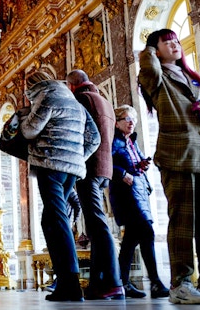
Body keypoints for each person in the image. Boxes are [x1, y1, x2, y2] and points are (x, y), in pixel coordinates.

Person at [138, 29, 200, 305]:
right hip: (178, 155)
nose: (175, 44)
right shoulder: (155, 78)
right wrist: (148, 48)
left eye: (177, 40)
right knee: (183, 223)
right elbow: (148, 66)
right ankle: (180, 284)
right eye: (167, 41)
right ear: (155, 51)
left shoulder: (196, 80)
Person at [19, 69, 100, 302]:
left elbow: (29, 130)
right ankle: (64, 280)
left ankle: (70, 284)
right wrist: (74, 156)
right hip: (71, 169)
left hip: (50, 164)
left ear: (33, 85)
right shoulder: (73, 101)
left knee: (57, 219)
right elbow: (94, 138)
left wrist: (23, 118)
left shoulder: (46, 96)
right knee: (50, 220)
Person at [67, 69, 124, 300]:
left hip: (89, 166)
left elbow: (80, 133)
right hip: (104, 168)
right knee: (94, 223)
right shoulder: (105, 101)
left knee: (97, 225)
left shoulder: (81, 99)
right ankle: (98, 282)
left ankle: (113, 281)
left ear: (72, 86)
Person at [109, 105, 170, 299]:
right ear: (117, 122)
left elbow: (135, 161)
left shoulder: (132, 142)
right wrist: (121, 173)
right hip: (126, 193)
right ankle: (155, 282)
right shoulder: (113, 140)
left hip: (139, 190)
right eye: (127, 119)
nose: (131, 122)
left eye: (133, 119)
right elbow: (105, 161)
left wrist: (141, 164)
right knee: (146, 231)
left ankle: (121, 283)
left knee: (130, 240)